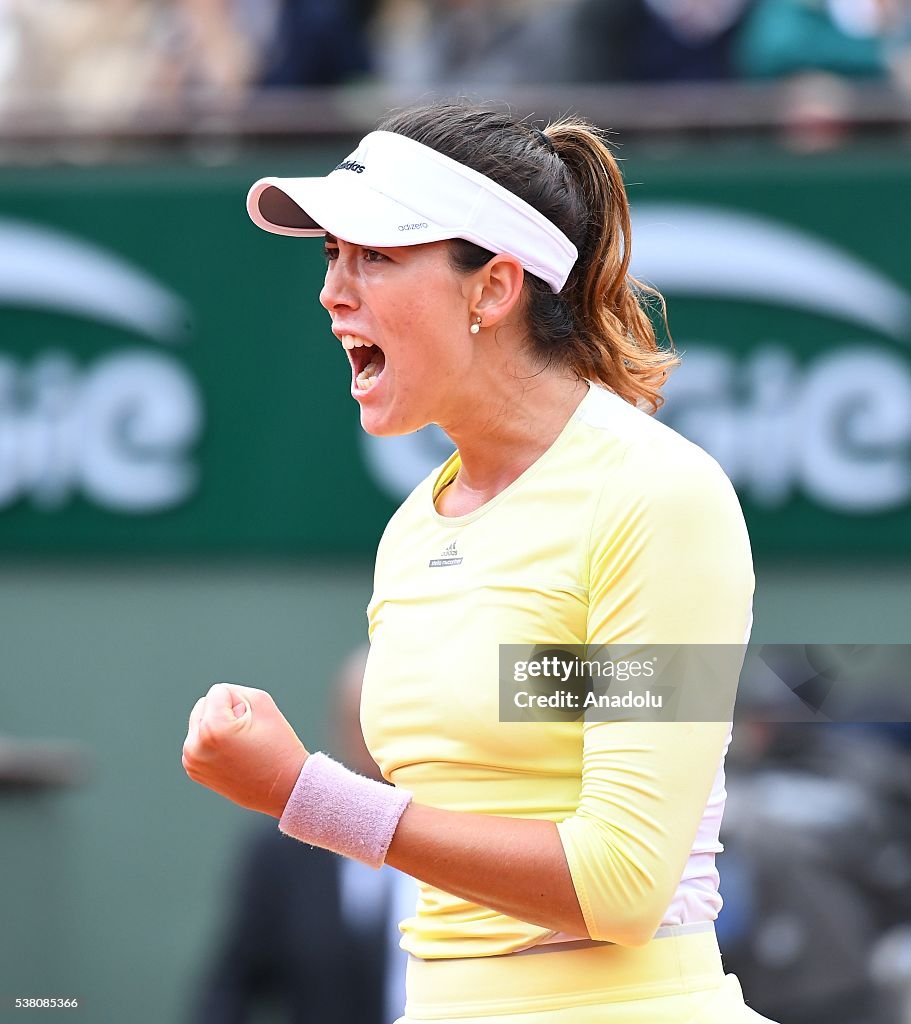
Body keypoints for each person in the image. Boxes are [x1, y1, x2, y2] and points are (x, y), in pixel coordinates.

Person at [182, 100, 776, 1023]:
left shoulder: (659, 496)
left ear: (491, 289)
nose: (333, 290)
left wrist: (307, 796)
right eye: (331, 255)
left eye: (374, 255)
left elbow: (620, 886)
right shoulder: (416, 529)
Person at [189, 647, 414, 1024]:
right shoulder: (279, 852)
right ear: (338, 727)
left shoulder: (477, 829)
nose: (379, 744)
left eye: (396, 723)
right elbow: (230, 986)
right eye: (363, 723)